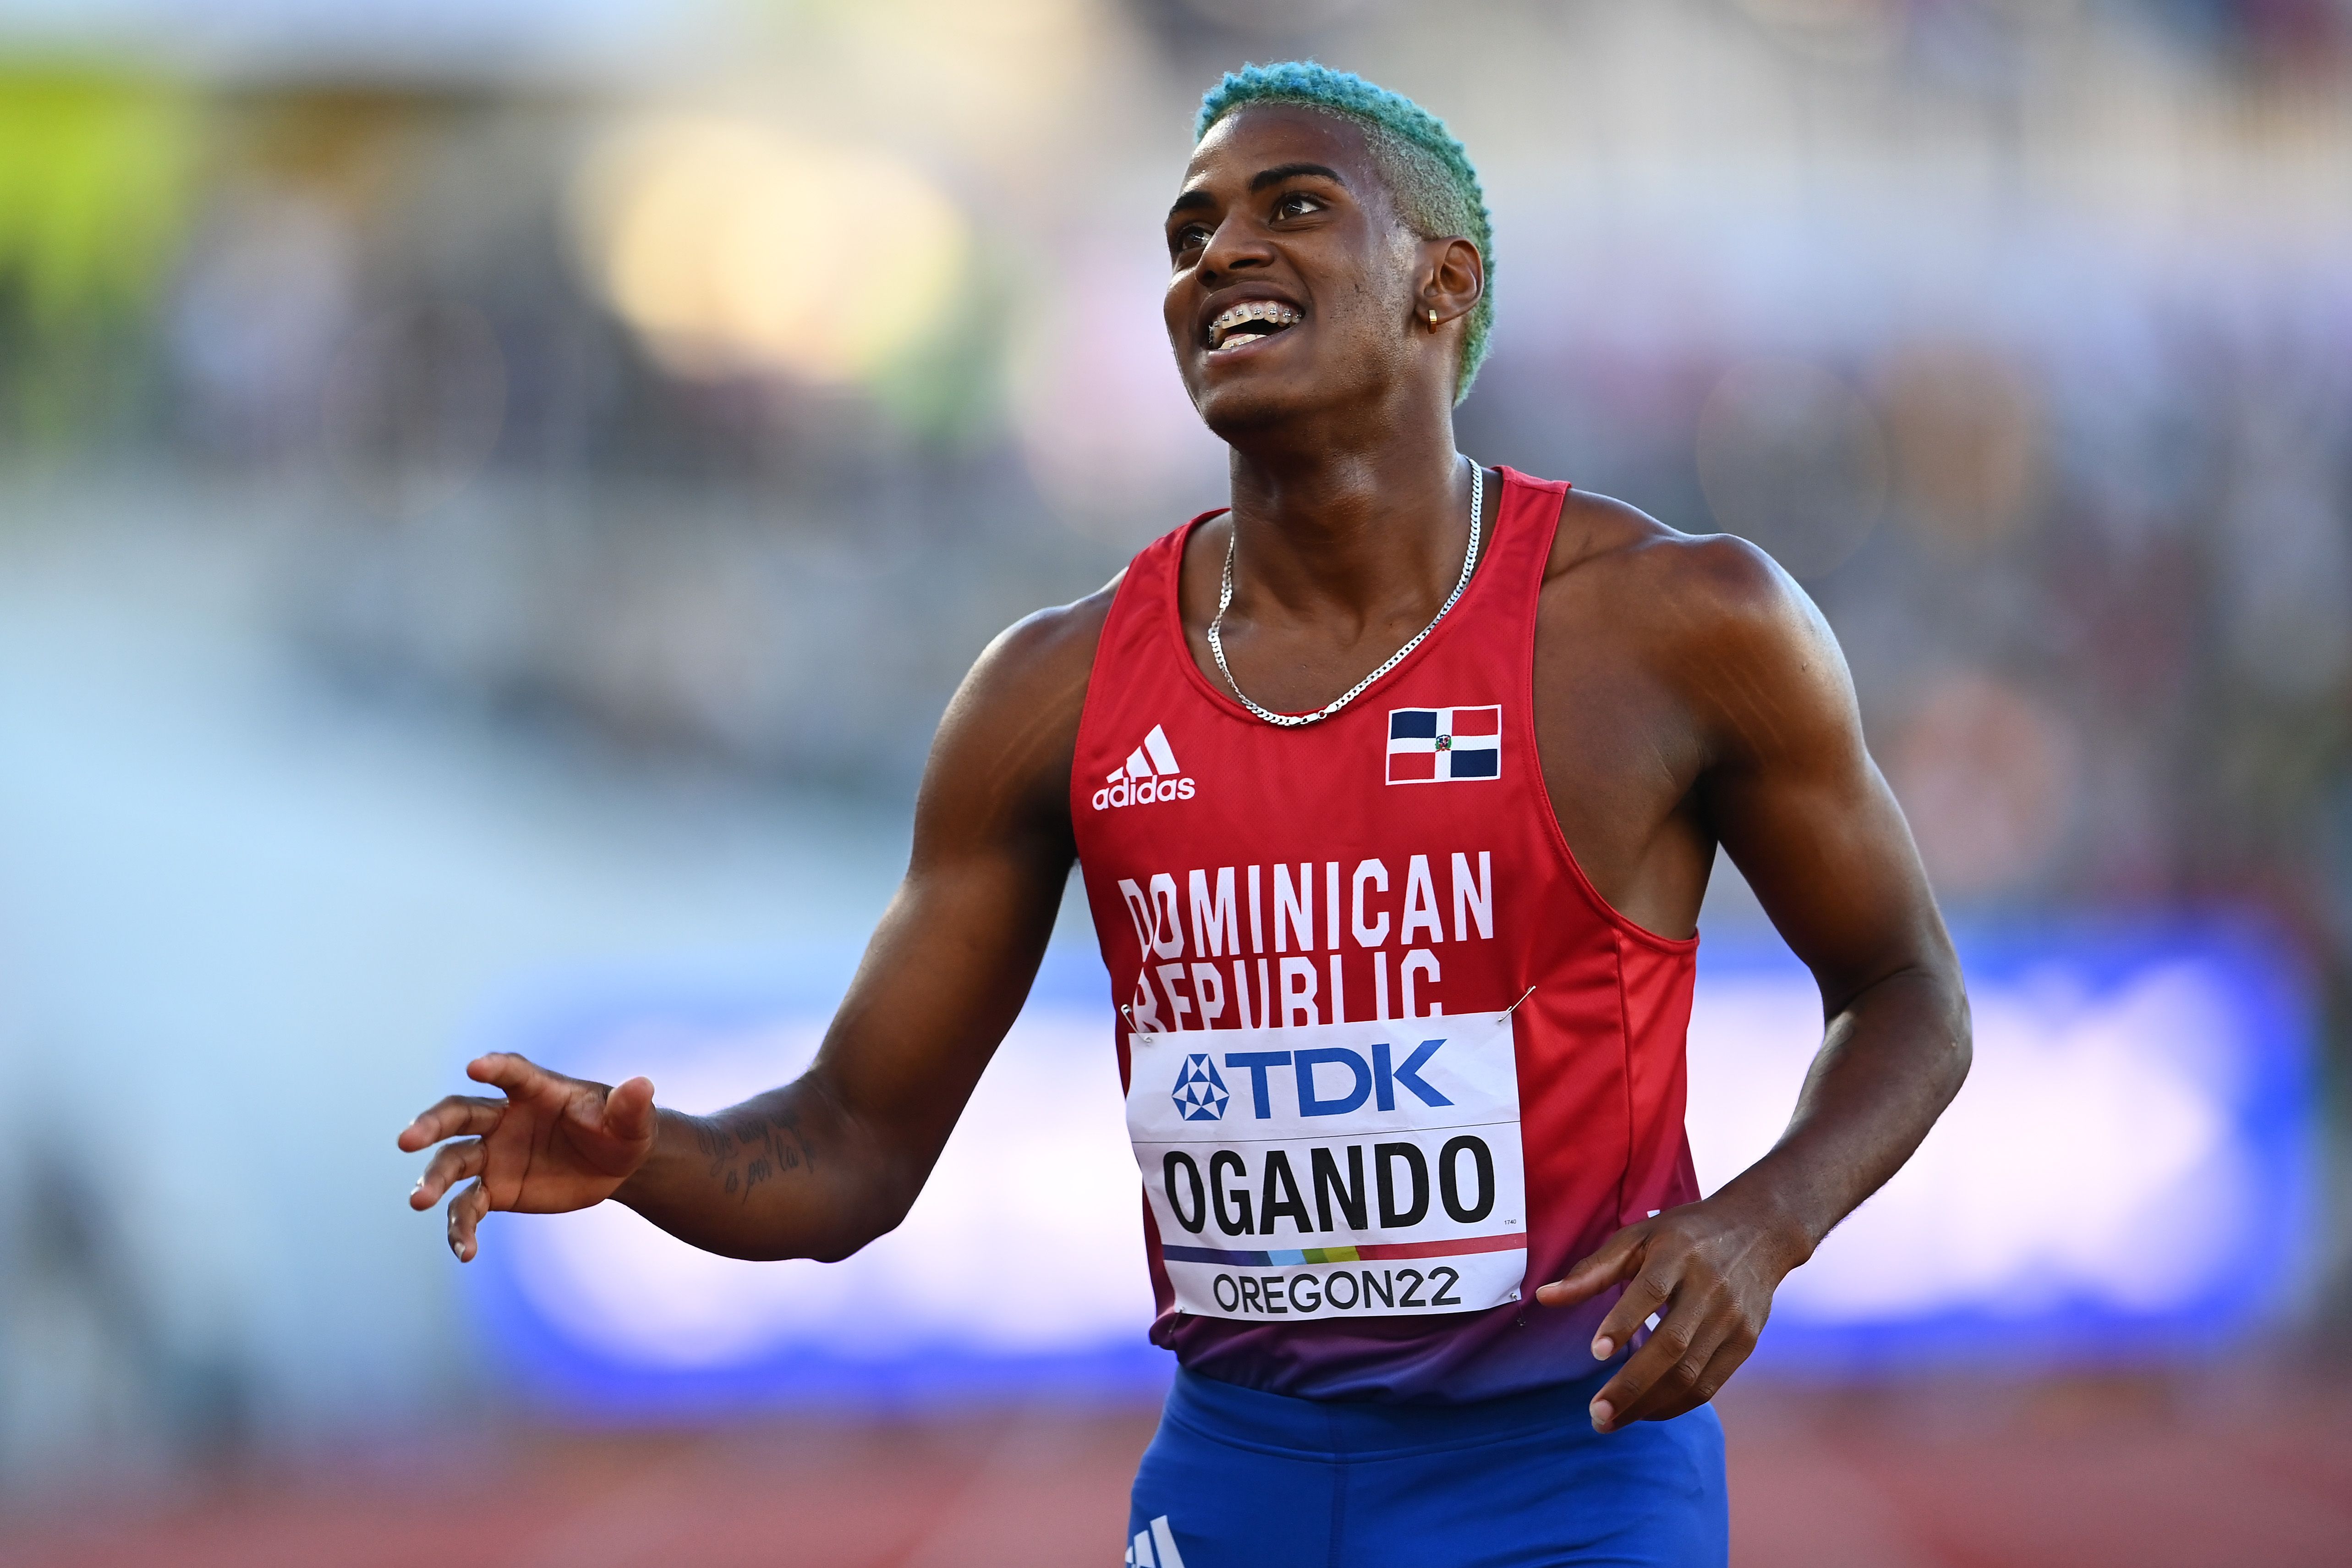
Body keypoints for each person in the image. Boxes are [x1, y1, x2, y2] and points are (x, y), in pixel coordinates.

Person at [399, 62, 1969, 1568]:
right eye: (1188, 232)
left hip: (1572, 1469)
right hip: (1239, 1480)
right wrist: (643, 1156)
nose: (1221, 253)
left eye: (1291, 210)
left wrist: (1764, 1225)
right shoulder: (1050, 693)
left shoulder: (1677, 624)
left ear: (1442, 285)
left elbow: (1911, 997)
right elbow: (854, 1147)